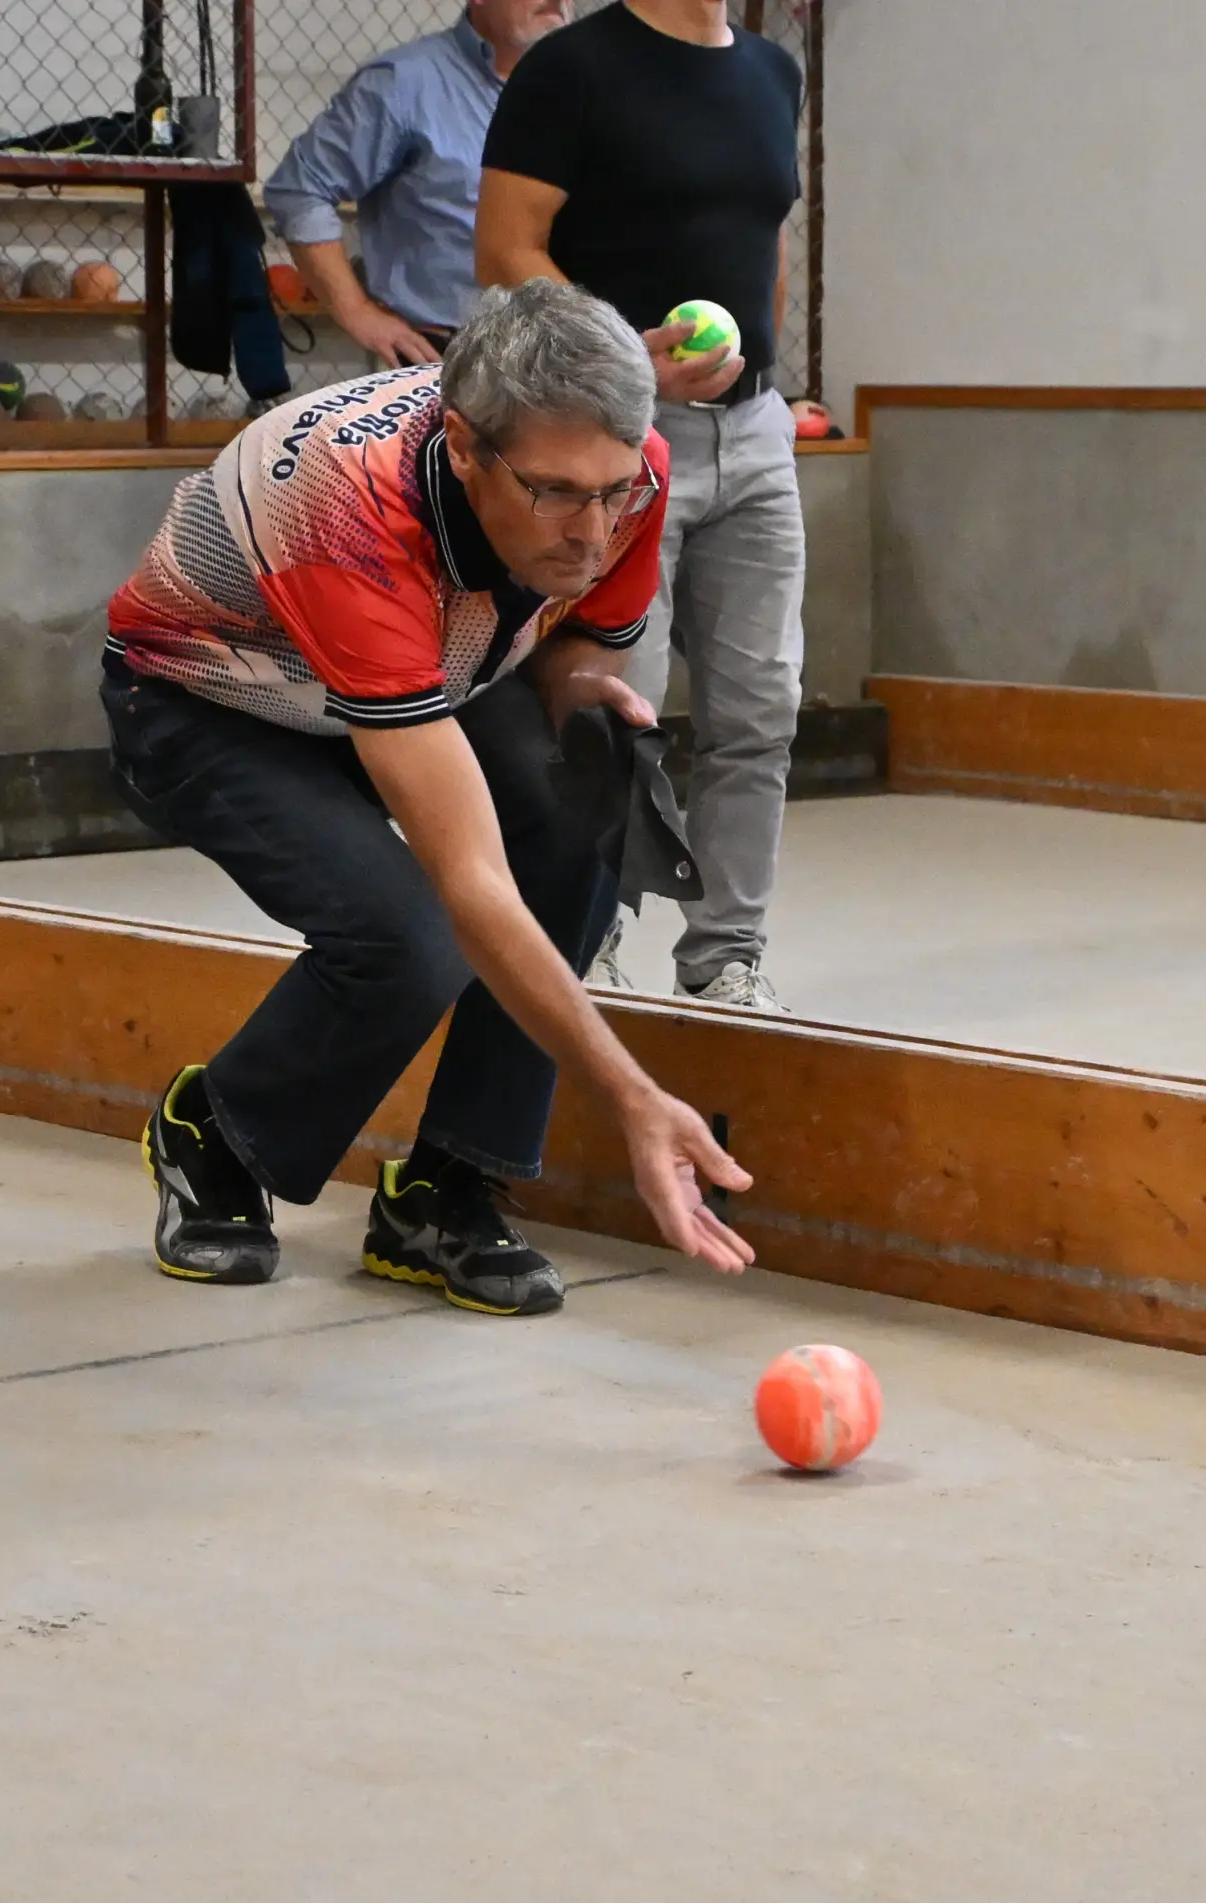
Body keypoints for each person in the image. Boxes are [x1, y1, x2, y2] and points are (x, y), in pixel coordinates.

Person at [101, 280, 756, 1317]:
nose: (593, 531)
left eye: (612, 490)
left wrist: (582, 694)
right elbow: (471, 882)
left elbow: (581, 643)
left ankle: (448, 1187)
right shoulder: (345, 510)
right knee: (408, 938)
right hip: (209, 696)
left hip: (426, 674)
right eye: (556, 494)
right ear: (462, 450)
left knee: (590, 793)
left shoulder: (624, 471)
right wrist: (632, 1097)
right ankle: (213, 1129)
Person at [475, 0, 806, 1013]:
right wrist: (624, 359)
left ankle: (725, 956)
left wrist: (767, 380)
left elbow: (766, 244)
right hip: (616, 437)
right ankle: (590, 937)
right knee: (615, 704)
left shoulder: (773, 74)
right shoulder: (571, 68)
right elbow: (506, 250)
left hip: (756, 433)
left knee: (762, 707)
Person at [263, 0, 574, 370]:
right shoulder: (404, 84)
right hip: (448, 360)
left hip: (569, 357)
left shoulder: (587, 88)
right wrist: (356, 310)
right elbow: (301, 187)